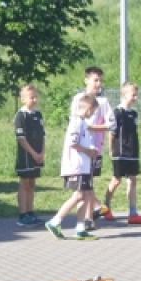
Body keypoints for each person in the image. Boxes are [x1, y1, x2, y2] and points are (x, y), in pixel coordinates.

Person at [45, 92, 100, 240]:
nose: (93, 114)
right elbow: (72, 143)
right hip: (76, 166)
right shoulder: (76, 122)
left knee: (85, 196)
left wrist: (92, 150)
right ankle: (55, 221)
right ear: (88, 108)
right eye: (93, 111)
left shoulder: (83, 123)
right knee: (79, 195)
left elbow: (83, 142)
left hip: (84, 166)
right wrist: (88, 151)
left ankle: (80, 228)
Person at [71, 66, 116, 230]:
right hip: (81, 150)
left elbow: (111, 125)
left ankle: (89, 217)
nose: (99, 84)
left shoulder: (103, 102)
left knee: (89, 184)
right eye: (95, 80)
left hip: (95, 150)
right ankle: (86, 216)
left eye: (101, 81)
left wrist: (93, 128)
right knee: (82, 186)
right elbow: (74, 122)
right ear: (86, 80)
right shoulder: (78, 99)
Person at [103, 82, 141, 225]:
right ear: (124, 94)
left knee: (133, 180)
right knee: (117, 180)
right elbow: (112, 132)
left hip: (132, 152)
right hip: (120, 152)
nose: (135, 98)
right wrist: (111, 149)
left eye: (136, 95)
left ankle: (133, 213)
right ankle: (105, 207)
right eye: (133, 95)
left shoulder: (133, 113)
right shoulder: (117, 112)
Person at [14, 83, 45, 227]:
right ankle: (23, 215)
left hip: (37, 154)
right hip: (26, 156)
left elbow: (42, 135)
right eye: (31, 97)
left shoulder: (38, 114)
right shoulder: (21, 116)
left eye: (36, 97)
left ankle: (31, 212)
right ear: (23, 99)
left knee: (32, 183)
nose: (34, 100)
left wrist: (42, 152)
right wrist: (33, 153)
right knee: (24, 183)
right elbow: (21, 139)